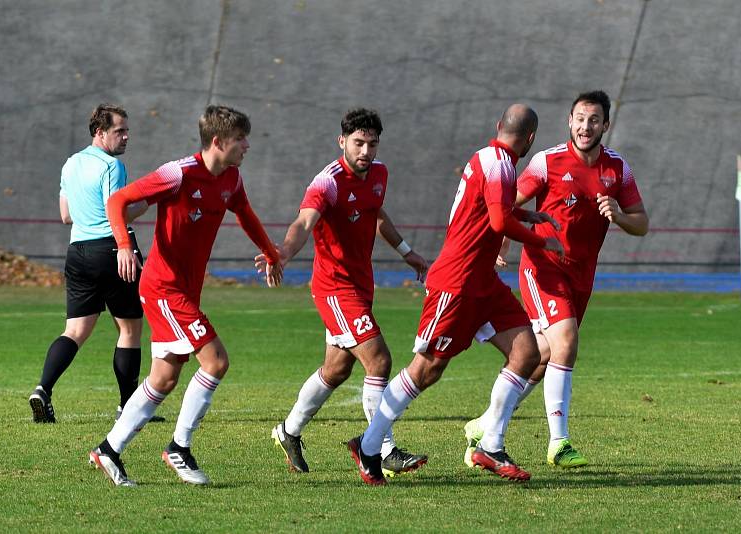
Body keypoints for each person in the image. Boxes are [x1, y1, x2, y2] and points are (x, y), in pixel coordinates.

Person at [346, 104, 565, 485]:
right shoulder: (498, 163)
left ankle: (491, 445)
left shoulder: (494, 159)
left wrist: (529, 217)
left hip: (483, 282)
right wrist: (541, 241)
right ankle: (368, 446)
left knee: (527, 352)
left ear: (499, 127)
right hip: (457, 282)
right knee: (427, 368)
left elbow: (489, 213)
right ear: (530, 139)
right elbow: (498, 220)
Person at [88, 105, 282, 487]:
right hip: (164, 288)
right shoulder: (177, 173)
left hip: (184, 291)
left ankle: (108, 450)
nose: (247, 145)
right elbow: (117, 201)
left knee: (163, 378)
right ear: (217, 142)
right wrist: (124, 245)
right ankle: (179, 447)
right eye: (240, 139)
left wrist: (271, 252)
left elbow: (246, 214)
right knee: (216, 361)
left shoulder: (232, 178)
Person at [464, 90, 649, 469]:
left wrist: (619, 215)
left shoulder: (618, 170)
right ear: (570, 121)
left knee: (542, 357)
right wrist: (499, 244)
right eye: (580, 119)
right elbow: (507, 203)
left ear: (605, 126)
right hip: (543, 267)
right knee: (565, 339)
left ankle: (485, 425)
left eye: (594, 120)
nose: (585, 126)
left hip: (582, 276)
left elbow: (641, 223)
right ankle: (559, 442)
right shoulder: (545, 162)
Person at [255, 108, 429, 478]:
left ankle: (288, 431)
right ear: (343, 142)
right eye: (358, 143)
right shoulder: (327, 182)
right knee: (379, 360)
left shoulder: (379, 173)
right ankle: (381, 449)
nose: (365, 151)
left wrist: (406, 252)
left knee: (336, 370)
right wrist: (282, 252)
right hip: (335, 288)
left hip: (361, 285)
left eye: (372, 143)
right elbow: (304, 221)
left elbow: (377, 214)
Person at [29, 104, 154, 424]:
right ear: (100, 133)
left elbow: (66, 215)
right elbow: (118, 212)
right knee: (129, 329)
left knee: (75, 330)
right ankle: (129, 407)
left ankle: (43, 389)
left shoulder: (70, 164)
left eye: (127, 130)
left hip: (78, 252)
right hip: (113, 252)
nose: (126, 137)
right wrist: (150, 201)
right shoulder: (112, 166)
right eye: (119, 131)